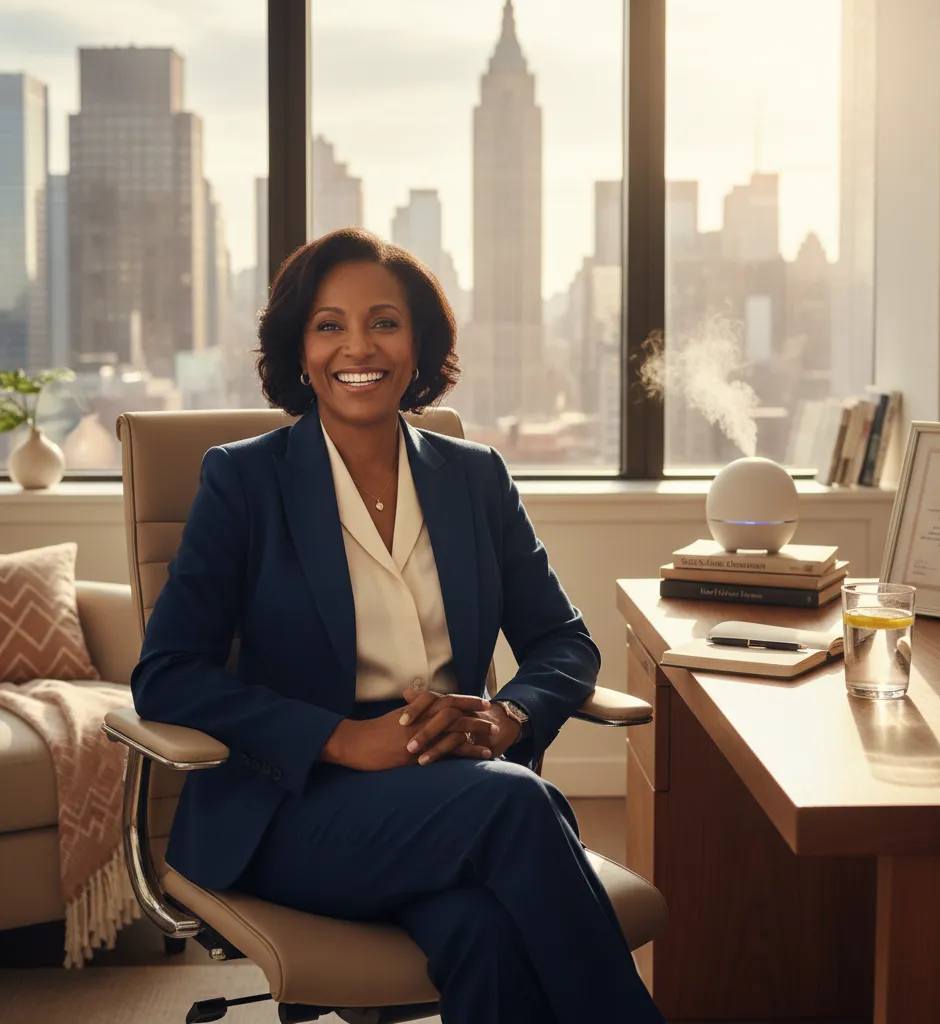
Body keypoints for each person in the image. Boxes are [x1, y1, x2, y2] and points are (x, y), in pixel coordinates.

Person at [132, 228, 665, 1024]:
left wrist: (504, 716)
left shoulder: (475, 478)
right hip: (298, 810)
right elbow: (166, 670)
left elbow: (564, 641)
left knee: (484, 932)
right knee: (520, 807)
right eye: (328, 325)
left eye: (383, 322)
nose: (358, 346)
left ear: (418, 345)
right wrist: (340, 738)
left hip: (451, 793)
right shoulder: (244, 480)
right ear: (299, 348)